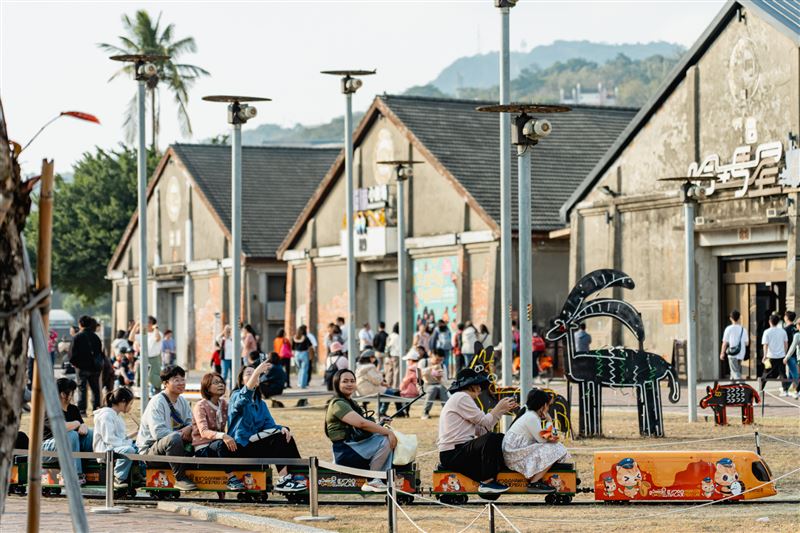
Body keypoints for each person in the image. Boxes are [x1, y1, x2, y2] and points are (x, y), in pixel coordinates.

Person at [228, 362, 307, 492]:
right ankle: (284, 480)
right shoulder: (236, 396)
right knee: (278, 438)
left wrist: (282, 428)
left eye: (256, 374)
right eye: (249, 374)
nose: (254, 376)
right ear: (241, 381)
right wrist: (257, 372)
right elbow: (244, 397)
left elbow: (270, 426)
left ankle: (299, 476)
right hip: (240, 447)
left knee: (286, 436)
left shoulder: (261, 403)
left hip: (255, 446)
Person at [437, 368, 517, 494]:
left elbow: (482, 430)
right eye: (478, 385)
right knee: (493, 438)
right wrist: (498, 407)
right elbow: (484, 422)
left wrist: (501, 411)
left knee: (497, 438)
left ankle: (490, 480)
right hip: (453, 452)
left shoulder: (461, 398)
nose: (480, 389)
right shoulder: (462, 397)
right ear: (471, 386)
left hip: (456, 451)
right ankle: (487, 482)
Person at [325, 369, 397, 492]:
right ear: (337, 383)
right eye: (345, 381)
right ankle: (373, 480)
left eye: (352, 381)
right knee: (385, 439)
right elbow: (361, 424)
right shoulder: (337, 404)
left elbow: (361, 426)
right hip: (345, 450)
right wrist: (388, 432)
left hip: (354, 446)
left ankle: (381, 477)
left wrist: (380, 424)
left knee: (385, 437)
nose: (349, 384)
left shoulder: (351, 403)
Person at [135, 365, 198, 491]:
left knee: (199, 435)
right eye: (176, 380)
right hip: (151, 451)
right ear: (165, 383)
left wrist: (190, 428)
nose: (181, 383)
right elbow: (158, 433)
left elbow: (191, 423)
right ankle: (180, 478)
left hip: (172, 448)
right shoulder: (157, 402)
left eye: (183, 379)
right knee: (174, 438)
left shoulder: (182, 401)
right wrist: (182, 433)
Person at [502, 388, 571, 493]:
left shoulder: (531, 415)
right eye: (548, 405)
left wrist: (551, 435)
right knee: (556, 448)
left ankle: (536, 479)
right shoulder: (531, 417)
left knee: (555, 447)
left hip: (516, 453)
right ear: (543, 405)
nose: (548, 408)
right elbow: (545, 440)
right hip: (514, 457)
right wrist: (549, 421)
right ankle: (535, 482)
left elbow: (549, 438)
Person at [191, 372, 246, 490]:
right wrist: (223, 436)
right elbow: (203, 431)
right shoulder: (200, 406)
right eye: (215, 383)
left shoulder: (224, 404)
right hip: (203, 448)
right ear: (207, 387)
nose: (221, 385)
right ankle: (231, 479)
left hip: (219, 445)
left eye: (221, 382)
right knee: (221, 444)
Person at [42, 378, 94, 485]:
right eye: (72, 392)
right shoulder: (49, 409)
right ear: (63, 394)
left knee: (91, 434)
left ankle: (96, 468)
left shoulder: (73, 409)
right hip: (46, 449)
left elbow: (82, 425)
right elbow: (61, 428)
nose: (73, 395)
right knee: (71, 435)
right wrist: (77, 423)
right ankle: (72, 475)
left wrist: (83, 426)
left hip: (66, 446)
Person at [93, 387, 137, 489]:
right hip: (106, 449)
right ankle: (118, 477)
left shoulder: (117, 416)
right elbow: (109, 439)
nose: (130, 407)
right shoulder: (106, 415)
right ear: (122, 402)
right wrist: (128, 443)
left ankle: (138, 474)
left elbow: (121, 438)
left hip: (114, 447)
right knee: (129, 450)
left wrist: (136, 433)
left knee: (138, 446)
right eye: (130, 404)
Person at [355, 350, 402, 416]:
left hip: (361, 390)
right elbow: (376, 380)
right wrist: (381, 377)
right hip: (370, 390)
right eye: (373, 357)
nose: (374, 358)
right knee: (390, 393)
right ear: (370, 358)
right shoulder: (370, 367)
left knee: (385, 393)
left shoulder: (360, 367)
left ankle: (380, 411)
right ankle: (382, 412)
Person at [130, 316, 163, 394]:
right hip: (144, 358)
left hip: (154, 358)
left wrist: (156, 328)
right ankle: (143, 394)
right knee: (141, 376)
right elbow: (131, 338)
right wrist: (136, 325)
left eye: (148, 322)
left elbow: (157, 338)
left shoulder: (158, 333)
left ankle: (158, 392)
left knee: (154, 377)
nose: (145, 324)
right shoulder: (143, 334)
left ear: (151, 324)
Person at [761, 313, 788, 391]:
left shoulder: (767, 332)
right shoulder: (783, 331)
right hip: (781, 356)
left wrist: (764, 355)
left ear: (769, 321)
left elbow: (765, 345)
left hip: (770, 356)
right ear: (778, 322)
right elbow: (786, 344)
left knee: (766, 373)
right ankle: (785, 390)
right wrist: (785, 354)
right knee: (782, 374)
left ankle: (760, 388)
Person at [720, 309, 748, 381]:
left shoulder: (728, 329)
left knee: (735, 373)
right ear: (739, 318)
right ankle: (732, 387)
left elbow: (725, 342)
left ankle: (742, 385)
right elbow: (746, 343)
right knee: (734, 372)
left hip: (732, 353)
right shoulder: (743, 329)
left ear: (730, 318)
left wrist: (722, 353)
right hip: (741, 353)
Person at [421, 350, 449, 420]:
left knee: (441, 388)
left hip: (438, 386)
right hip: (425, 386)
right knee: (433, 388)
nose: (438, 362)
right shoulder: (423, 362)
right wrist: (431, 368)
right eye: (437, 359)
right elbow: (418, 374)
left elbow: (445, 382)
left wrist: (439, 378)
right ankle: (425, 412)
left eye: (441, 360)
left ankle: (447, 412)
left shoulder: (442, 366)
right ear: (431, 355)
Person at [784, 318, 800, 399]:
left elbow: (792, 348)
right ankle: (795, 391)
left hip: (799, 359)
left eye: (796, 324)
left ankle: (796, 391)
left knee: (798, 375)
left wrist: (786, 357)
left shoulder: (797, 335)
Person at [781, 311, 797, 396]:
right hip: (796, 353)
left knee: (794, 373)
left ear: (786, 318)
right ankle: (788, 387)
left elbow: (784, 343)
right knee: (791, 372)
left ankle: (796, 389)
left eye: (785, 316)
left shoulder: (785, 330)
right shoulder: (796, 328)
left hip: (788, 353)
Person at [384, 323, 402, 389]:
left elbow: (387, 346)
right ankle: (395, 386)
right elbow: (398, 348)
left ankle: (387, 385)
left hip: (389, 355)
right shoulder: (397, 336)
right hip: (396, 355)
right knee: (396, 372)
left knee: (390, 371)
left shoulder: (390, 336)